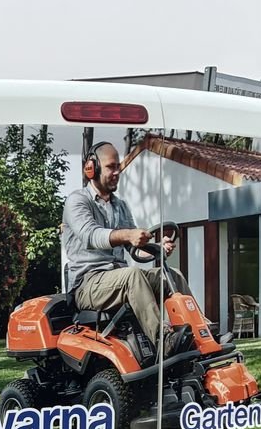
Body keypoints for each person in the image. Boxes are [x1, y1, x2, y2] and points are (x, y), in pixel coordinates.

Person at [61, 141, 192, 356]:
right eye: (111, 167)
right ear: (91, 168)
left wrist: (156, 247)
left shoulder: (120, 206)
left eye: (119, 167)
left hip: (117, 279)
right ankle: (164, 342)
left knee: (171, 276)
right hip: (87, 284)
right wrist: (128, 235)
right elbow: (92, 235)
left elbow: (134, 249)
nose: (117, 172)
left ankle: (199, 331)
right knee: (132, 276)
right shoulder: (77, 201)